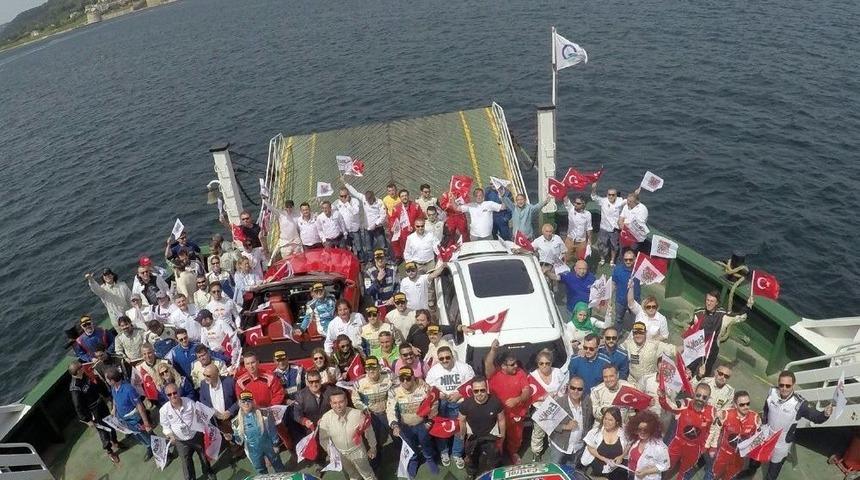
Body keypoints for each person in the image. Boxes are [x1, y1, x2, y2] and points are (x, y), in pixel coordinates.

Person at [740, 371, 832, 480]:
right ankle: (751, 470)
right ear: (778, 383)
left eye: (788, 386)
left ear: (793, 385)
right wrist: (763, 423)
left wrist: (825, 414)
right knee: (756, 456)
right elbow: (766, 408)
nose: (784, 388)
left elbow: (816, 418)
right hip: (766, 432)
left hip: (782, 440)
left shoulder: (800, 404)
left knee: (774, 467)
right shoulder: (772, 392)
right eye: (781, 385)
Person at [426, 346, 475, 469]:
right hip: (442, 403)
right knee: (441, 428)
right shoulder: (434, 370)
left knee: (459, 429)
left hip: (460, 403)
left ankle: (457, 453)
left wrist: (460, 394)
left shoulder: (464, 367)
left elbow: (472, 384)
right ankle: (444, 452)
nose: (445, 360)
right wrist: (439, 394)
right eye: (441, 358)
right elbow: (429, 387)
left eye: (447, 357)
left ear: (452, 356)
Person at [387, 366, 440, 476]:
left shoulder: (424, 389)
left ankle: (429, 459)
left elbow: (434, 403)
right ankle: (414, 460)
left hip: (422, 424)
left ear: (413, 377)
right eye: (402, 379)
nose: (405, 382)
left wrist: (429, 421)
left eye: (408, 378)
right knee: (409, 445)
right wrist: (394, 425)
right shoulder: (394, 392)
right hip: (404, 426)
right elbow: (390, 409)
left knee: (426, 443)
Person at [658, 382, 717, 480]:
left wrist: (704, 448)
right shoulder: (685, 403)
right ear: (694, 393)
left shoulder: (712, 412)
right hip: (677, 444)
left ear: (708, 398)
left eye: (704, 397)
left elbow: (713, 431)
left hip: (694, 449)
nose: (700, 399)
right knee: (665, 468)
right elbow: (669, 406)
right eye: (698, 395)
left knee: (684, 474)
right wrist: (662, 397)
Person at [484, 340, 530, 464]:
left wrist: (517, 399)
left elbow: (527, 391)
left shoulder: (520, 373)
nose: (516, 366)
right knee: (497, 438)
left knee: (516, 438)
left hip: (516, 415)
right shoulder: (494, 373)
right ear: (503, 366)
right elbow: (488, 362)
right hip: (498, 416)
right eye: (512, 364)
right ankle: (498, 456)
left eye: (515, 363)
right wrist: (493, 350)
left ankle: (513, 452)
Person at [686, 364, 736, 480]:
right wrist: (698, 376)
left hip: (712, 429)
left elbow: (725, 412)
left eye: (726, 376)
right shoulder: (705, 381)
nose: (722, 377)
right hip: (697, 424)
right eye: (720, 373)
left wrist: (720, 417)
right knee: (691, 459)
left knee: (712, 463)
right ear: (715, 372)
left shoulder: (730, 392)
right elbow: (690, 391)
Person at [159, 382, 217, 480]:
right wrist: (170, 435)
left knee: (203, 456)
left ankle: (208, 472)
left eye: (175, 392)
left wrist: (205, 427)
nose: (173, 396)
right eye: (169, 394)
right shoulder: (164, 410)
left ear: (179, 392)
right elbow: (165, 426)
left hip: (196, 435)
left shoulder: (189, 402)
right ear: (166, 396)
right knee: (186, 463)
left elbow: (199, 415)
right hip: (181, 441)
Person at [319, 390, 378, 480]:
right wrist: (332, 453)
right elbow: (323, 439)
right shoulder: (326, 418)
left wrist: (373, 447)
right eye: (334, 403)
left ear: (346, 401)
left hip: (357, 451)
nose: (338, 406)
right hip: (341, 454)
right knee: (353, 476)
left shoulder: (357, 414)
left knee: (368, 475)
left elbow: (369, 431)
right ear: (330, 404)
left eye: (341, 402)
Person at [69, 360, 119, 464]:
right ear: (77, 371)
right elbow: (78, 406)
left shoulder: (84, 376)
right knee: (103, 430)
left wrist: (106, 395)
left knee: (111, 422)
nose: (83, 367)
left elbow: (95, 386)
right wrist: (87, 420)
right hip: (93, 411)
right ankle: (109, 451)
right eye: (81, 367)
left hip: (100, 403)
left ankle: (115, 441)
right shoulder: (75, 388)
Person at [689, 292, 752, 376]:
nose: (708, 303)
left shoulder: (723, 315)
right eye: (707, 300)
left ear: (717, 303)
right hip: (697, 345)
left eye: (712, 301)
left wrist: (748, 305)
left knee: (707, 370)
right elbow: (691, 327)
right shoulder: (698, 313)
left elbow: (740, 316)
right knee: (689, 368)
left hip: (712, 348)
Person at [352, 356, 393, 472]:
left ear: (379, 367)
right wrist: (364, 408)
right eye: (368, 368)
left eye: (374, 367)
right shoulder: (359, 383)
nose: (371, 370)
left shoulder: (388, 377)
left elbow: (398, 388)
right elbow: (355, 400)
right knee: (374, 440)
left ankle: (402, 455)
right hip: (372, 415)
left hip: (387, 413)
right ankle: (376, 462)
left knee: (396, 435)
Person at [458, 376, 505, 478]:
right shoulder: (465, 404)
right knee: (471, 458)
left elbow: (501, 420)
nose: (479, 393)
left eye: (482, 390)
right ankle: (471, 474)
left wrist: (502, 436)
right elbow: (461, 421)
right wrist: (462, 436)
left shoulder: (496, 402)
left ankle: (496, 474)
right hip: (473, 436)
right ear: (472, 391)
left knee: (495, 458)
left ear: (486, 389)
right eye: (476, 391)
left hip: (490, 436)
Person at [528, 350, 568, 461]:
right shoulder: (532, 376)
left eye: (547, 363)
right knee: (538, 433)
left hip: (556, 407)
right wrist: (543, 397)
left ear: (551, 363)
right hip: (540, 409)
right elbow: (529, 395)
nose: (544, 366)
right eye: (541, 363)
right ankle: (536, 453)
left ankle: (554, 451)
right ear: (537, 364)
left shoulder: (558, 372)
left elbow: (564, 388)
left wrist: (557, 395)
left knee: (555, 431)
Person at [232, 391, 286, 474]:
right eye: (243, 401)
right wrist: (231, 438)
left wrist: (275, 444)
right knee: (260, 470)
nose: (246, 403)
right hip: (253, 450)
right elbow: (239, 441)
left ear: (253, 401)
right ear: (239, 403)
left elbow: (272, 430)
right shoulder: (236, 422)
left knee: (279, 467)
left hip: (269, 445)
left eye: (248, 401)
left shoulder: (264, 413)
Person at [710, 391, 760, 480]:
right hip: (722, 455)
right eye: (742, 405)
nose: (746, 407)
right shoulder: (725, 414)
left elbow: (758, 438)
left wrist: (751, 451)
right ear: (735, 405)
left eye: (748, 404)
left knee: (729, 478)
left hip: (739, 458)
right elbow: (714, 431)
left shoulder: (756, 418)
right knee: (713, 476)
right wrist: (713, 447)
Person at [106, 367, 153, 460]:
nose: (106, 381)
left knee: (145, 434)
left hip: (135, 419)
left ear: (112, 380)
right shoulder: (113, 388)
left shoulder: (128, 389)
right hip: (124, 420)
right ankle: (148, 446)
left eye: (107, 379)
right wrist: (114, 409)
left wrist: (146, 422)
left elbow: (139, 405)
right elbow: (114, 399)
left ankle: (153, 447)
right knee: (137, 434)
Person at [546, 376, 594, 466]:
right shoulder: (559, 402)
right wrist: (566, 427)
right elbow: (548, 423)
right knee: (554, 468)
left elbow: (589, 420)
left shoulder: (587, 400)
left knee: (571, 471)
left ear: (583, 390)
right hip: (559, 445)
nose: (576, 391)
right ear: (568, 387)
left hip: (577, 446)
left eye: (579, 389)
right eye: (573, 388)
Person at [344, 181, 388, 263]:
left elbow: (383, 215)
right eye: (367, 200)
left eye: (370, 200)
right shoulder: (364, 198)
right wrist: (346, 184)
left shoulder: (379, 202)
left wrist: (376, 224)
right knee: (369, 247)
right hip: (367, 228)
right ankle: (371, 261)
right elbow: (355, 193)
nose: (368, 202)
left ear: (373, 197)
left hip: (377, 228)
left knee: (383, 245)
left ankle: (386, 260)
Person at [581, 406, 629, 480]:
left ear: (617, 422)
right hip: (599, 471)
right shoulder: (595, 432)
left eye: (610, 420)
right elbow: (590, 448)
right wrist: (604, 459)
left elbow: (629, 444)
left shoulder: (624, 432)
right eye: (605, 418)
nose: (606, 422)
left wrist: (621, 456)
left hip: (618, 471)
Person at [293, 370, 342, 437]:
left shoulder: (330, 390)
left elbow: (342, 399)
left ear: (321, 380)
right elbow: (296, 414)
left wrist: (329, 417)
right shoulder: (300, 395)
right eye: (311, 382)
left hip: (331, 426)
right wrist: (305, 421)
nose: (314, 384)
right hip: (312, 430)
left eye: (317, 381)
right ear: (307, 382)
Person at [198, 364, 240, 442]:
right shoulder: (203, 384)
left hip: (230, 419)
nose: (205, 378)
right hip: (215, 420)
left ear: (217, 374)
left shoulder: (229, 382)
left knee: (234, 442)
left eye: (208, 376)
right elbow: (202, 399)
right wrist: (212, 410)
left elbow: (239, 400)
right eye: (204, 375)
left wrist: (229, 412)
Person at [625, 410, 670, 480]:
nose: (642, 432)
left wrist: (646, 472)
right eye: (639, 429)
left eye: (646, 430)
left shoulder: (660, 447)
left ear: (652, 430)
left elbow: (665, 465)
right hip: (631, 475)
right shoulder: (636, 441)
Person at [591, 183, 625, 266]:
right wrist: (594, 188)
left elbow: (631, 200)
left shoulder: (620, 201)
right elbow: (594, 197)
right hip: (604, 228)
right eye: (609, 194)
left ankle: (612, 260)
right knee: (601, 245)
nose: (611, 196)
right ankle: (602, 259)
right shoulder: (603, 201)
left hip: (614, 229)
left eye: (613, 195)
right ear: (607, 195)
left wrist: (636, 193)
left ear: (616, 195)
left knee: (614, 246)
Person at [389, 189, 425, 262]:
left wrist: (415, 227)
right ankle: (405, 260)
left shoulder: (416, 206)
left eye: (406, 195)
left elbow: (420, 218)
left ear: (408, 196)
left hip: (415, 231)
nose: (404, 197)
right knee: (402, 246)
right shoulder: (396, 208)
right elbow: (393, 219)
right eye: (402, 196)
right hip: (403, 233)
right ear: (400, 198)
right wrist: (393, 226)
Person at [612, 250, 641, 330]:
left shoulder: (639, 270)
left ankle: (635, 338)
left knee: (636, 321)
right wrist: (608, 296)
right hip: (620, 301)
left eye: (630, 259)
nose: (628, 261)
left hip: (635, 301)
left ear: (635, 259)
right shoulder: (617, 269)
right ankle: (616, 335)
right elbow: (613, 283)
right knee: (618, 319)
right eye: (626, 259)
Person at [562, 195, 593, 260]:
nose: (575, 204)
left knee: (581, 260)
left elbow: (589, 228)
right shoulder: (571, 209)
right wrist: (563, 186)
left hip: (581, 241)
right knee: (565, 258)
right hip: (570, 240)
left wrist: (589, 241)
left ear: (583, 204)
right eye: (575, 202)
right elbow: (565, 198)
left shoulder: (588, 214)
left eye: (578, 203)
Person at [334, 187, 362, 253]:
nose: (343, 198)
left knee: (358, 247)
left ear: (349, 195)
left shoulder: (355, 201)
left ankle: (362, 261)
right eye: (341, 196)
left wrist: (347, 203)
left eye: (345, 196)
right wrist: (320, 202)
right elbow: (329, 209)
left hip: (354, 229)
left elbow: (355, 212)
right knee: (348, 248)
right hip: (345, 230)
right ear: (339, 196)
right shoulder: (337, 203)